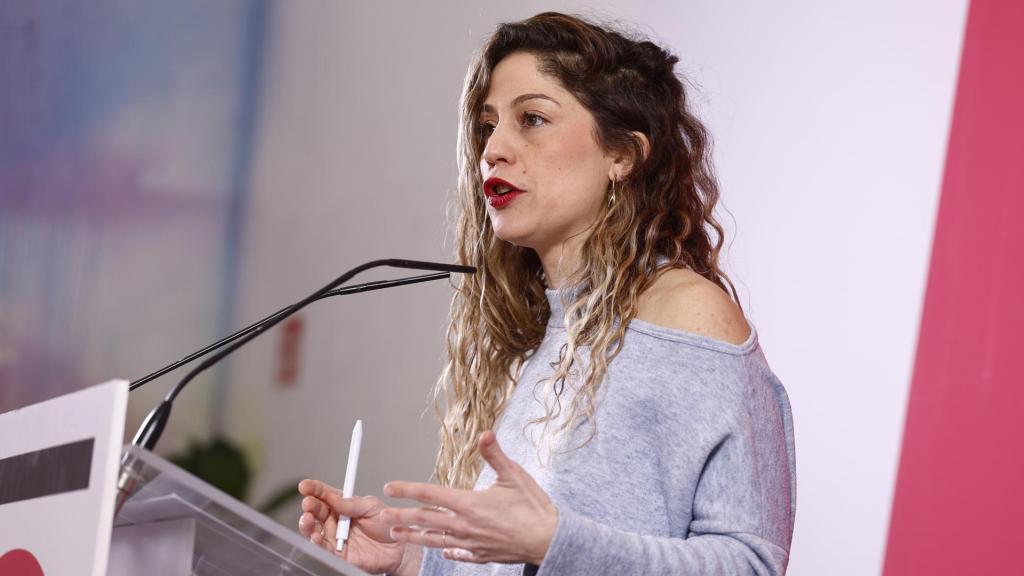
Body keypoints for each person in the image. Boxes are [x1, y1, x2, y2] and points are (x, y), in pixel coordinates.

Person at [298, 11, 795, 576]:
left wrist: (556, 540)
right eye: (488, 126)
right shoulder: (547, 334)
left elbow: (751, 564)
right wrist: (415, 558)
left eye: (532, 118)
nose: (493, 149)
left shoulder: (688, 316)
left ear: (623, 155)